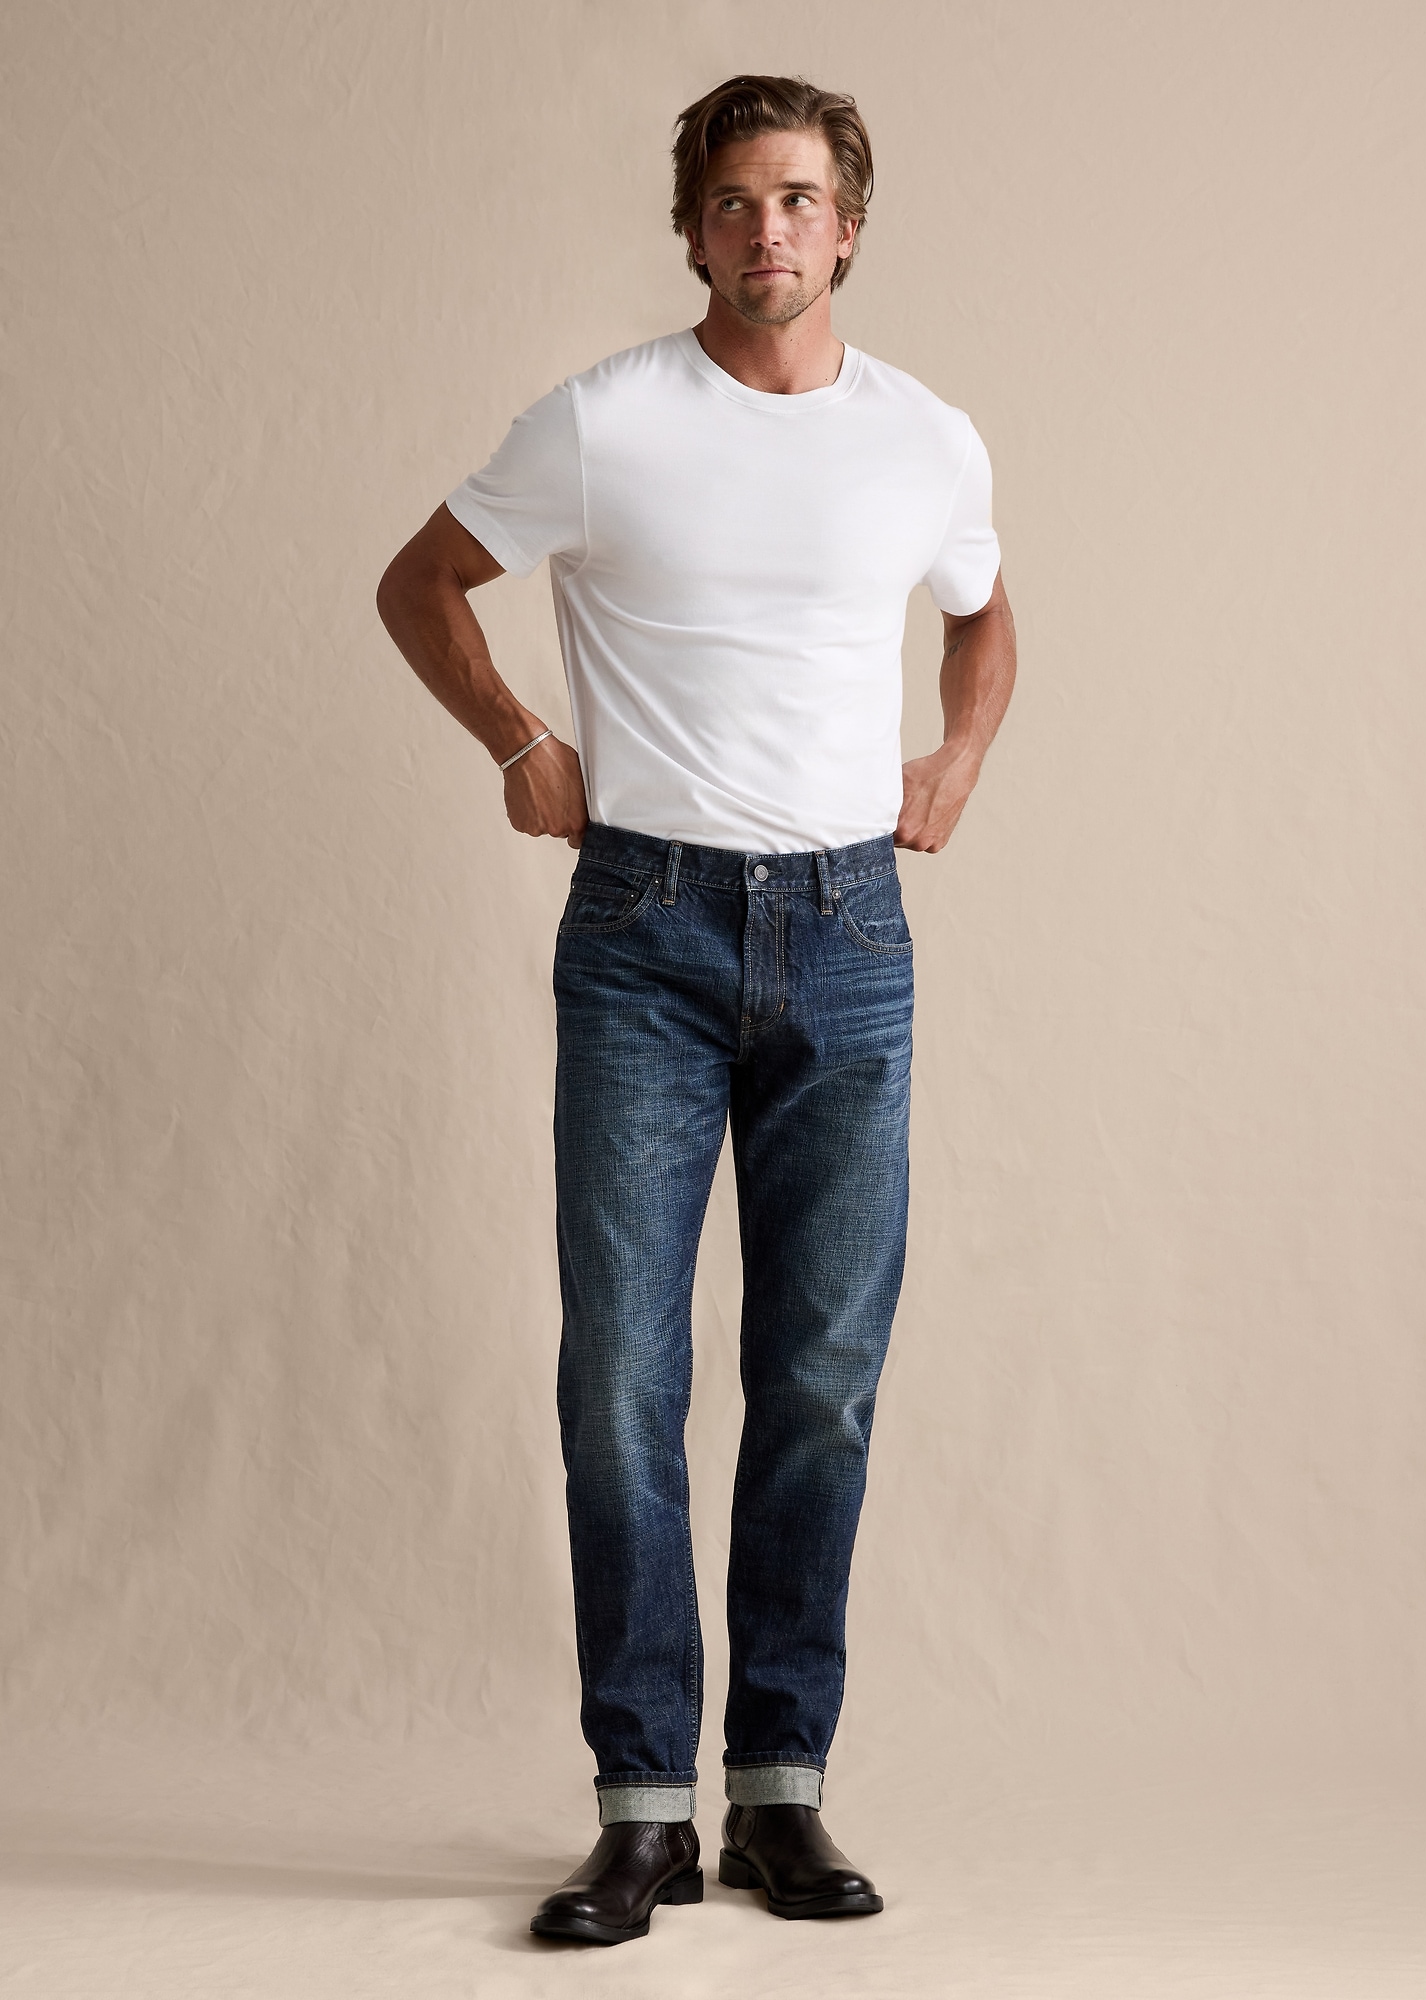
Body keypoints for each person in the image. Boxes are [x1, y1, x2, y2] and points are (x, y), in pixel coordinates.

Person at [376, 73, 1016, 1947]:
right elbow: (421, 582)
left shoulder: (926, 440)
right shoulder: (605, 422)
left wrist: (960, 756)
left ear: (848, 227)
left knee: (820, 1373)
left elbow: (983, 614)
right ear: (692, 231)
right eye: (734, 201)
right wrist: (518, 736)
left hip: (850, 932)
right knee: (622, 1379)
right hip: (644, 931)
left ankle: (781, 1792)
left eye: (798, 198)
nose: (766, 230)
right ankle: (643, 1808)